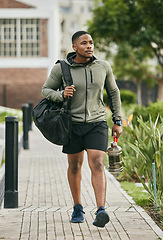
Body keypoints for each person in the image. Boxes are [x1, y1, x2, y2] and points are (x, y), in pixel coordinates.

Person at [42, 30, 122, 228]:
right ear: (74, 47)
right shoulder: (62, 69)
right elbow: (45, 90)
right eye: (84, 43)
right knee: (75, 166)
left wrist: (117, 120)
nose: (89, 46)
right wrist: (61, 94)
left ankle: (101, 209)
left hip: (97, 123)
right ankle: (77, 207)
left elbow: (113, 92)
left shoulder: (103, 66)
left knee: (97, 163)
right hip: (72, 124)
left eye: (91, 42)